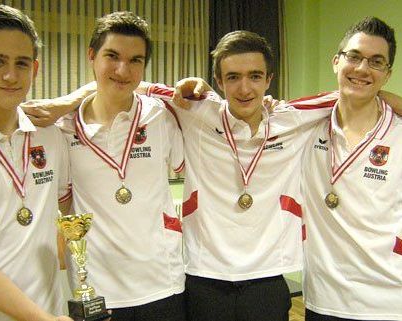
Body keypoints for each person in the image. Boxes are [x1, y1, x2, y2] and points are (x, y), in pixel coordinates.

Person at [145, 31, 338, 321]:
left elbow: (357, 93)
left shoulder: (292, 118)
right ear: (219, 82)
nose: (245, 88)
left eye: (255, 76)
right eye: (233, 77)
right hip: (204, 275)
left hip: (267, 276)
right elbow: (128, 84)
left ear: (269, 79)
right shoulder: (195, 109)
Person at [56, 11, 186, 321]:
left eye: (135, 60)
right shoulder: (62, 127)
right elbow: (63, 205)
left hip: (163, 283)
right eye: (112, 56)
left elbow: (191, 170)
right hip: (96, 289)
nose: (122, 70)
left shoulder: (161, 116)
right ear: (92, 56)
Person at [296, 16, 402, 321]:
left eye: (376, 61)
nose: (362, 68)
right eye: (354, 56)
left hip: (389, 302)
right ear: (336, 62)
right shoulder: (303, 127)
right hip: (323, 300)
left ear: (387, 74)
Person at [0, 5, 74, 321]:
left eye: (22, 63)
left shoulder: (51, 136)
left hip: (52, 308)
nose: (11, 75)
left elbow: (67, 216)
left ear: (36, 68)